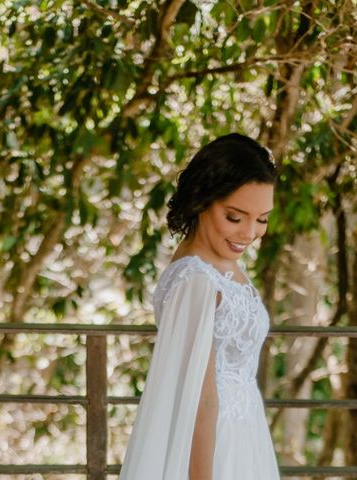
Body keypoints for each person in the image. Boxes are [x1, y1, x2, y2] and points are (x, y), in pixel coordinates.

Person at [118, 133, 280, 479]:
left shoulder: (220, 263)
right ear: (203, 200)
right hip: (214, 451)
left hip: (245, 438)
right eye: (235, 217)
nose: (249, 233)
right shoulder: (195, 280)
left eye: (262, 219)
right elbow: (200, 403)